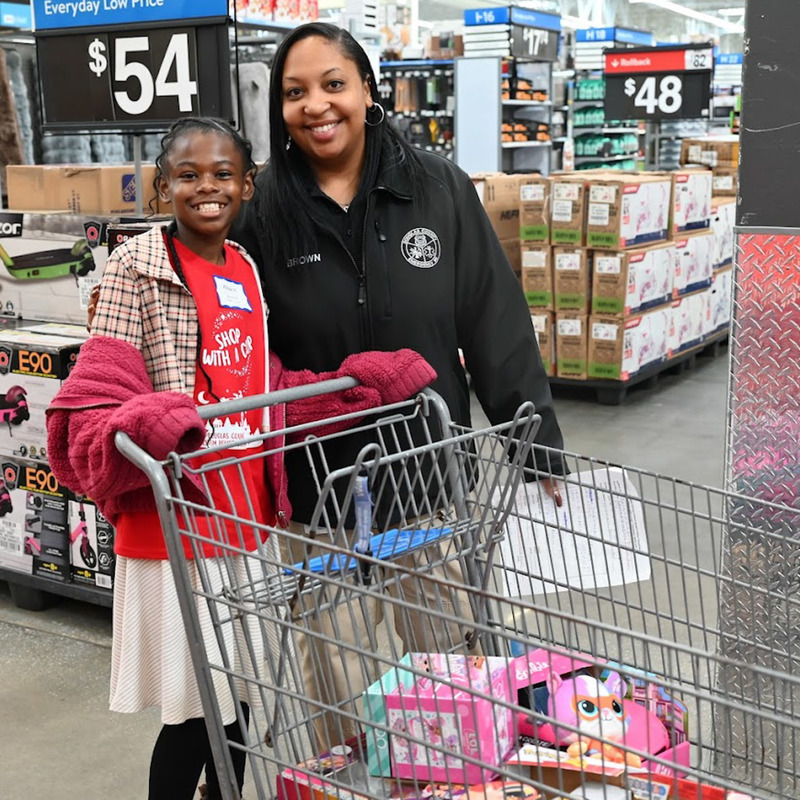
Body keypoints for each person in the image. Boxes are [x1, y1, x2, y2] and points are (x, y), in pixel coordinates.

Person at [46, 117, 437, 800]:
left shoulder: (245, 267)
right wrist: (150, 418)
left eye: (223, 173)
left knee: (245, 703)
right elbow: (87, 414)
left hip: (248, 525)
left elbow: (256, 394)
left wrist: (349, 386)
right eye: (188, 174)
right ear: (160, 185)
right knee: (198, 715)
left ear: (247, 184)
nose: (206, 187)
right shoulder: (134, 269)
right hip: (177, 532)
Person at [228, 22, 568, 747]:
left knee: (450, 695)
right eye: (295, 92)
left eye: (332, 85)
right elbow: (242, 353)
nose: (316, 105)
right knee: (342, 711)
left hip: (428, 487)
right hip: (317, 498)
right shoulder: (262, 215)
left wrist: (536, 437)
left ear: (367, 92)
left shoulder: (436, 187)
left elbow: (493, 318)